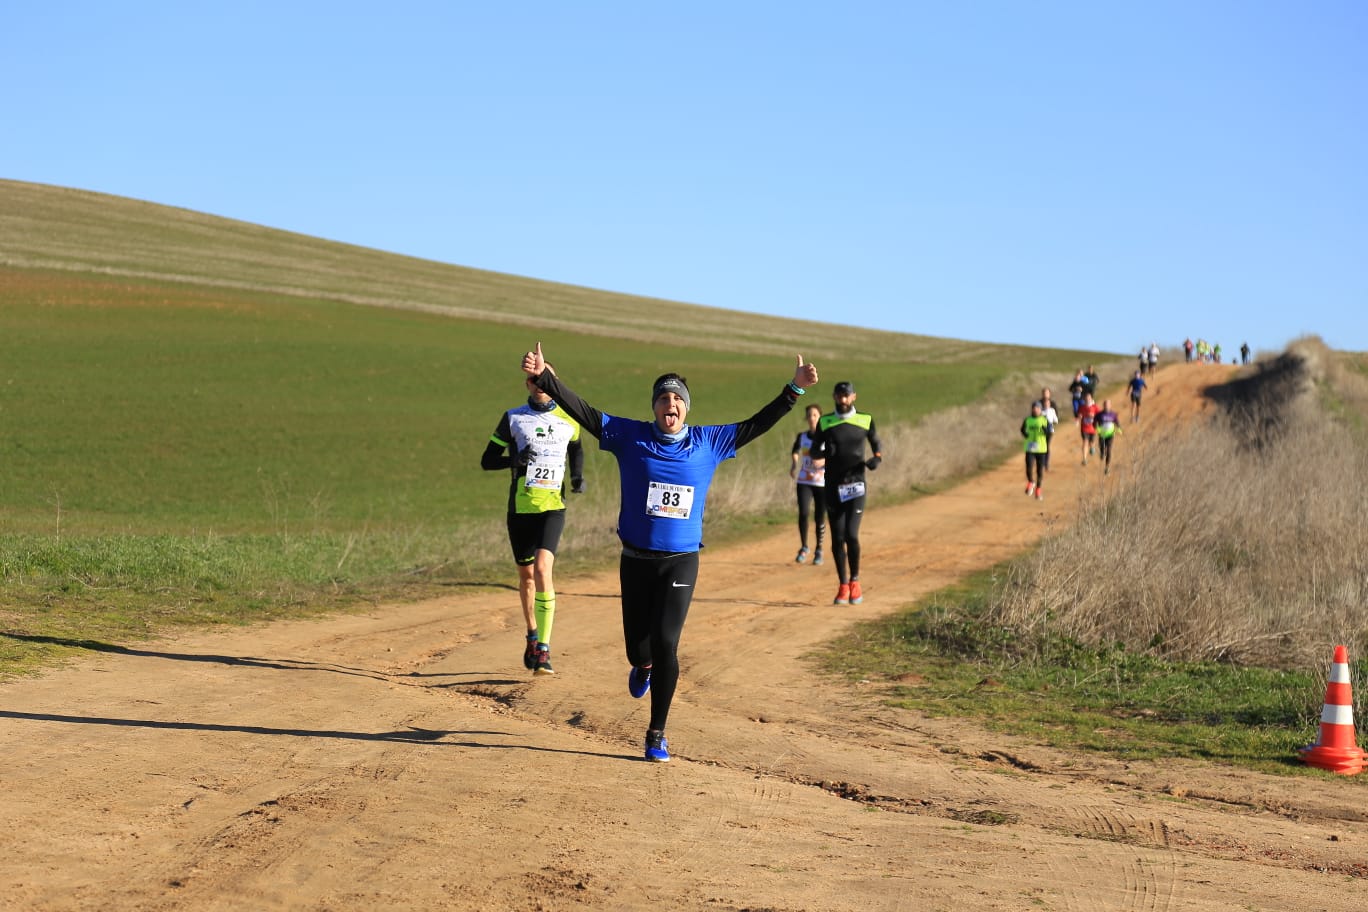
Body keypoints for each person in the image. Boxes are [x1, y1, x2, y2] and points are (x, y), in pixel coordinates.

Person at [521, 342, 818, 763]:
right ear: (655, 407)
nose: (670, 403)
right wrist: (547, 378)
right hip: (635, 560)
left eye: (678, 398)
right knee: (638, 650)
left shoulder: (709, 441)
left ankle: (657, 731)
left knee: (666, 644)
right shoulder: (630, 436)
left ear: (687, 409)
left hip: (680, 561)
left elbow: (757, 425)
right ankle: (641, 667)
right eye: (663, 397)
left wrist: (795, 390)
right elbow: (585, 412)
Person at [481, 365, 585, 675]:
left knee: (542, 570)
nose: (538, 384)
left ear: (553, 382)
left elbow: (577, 448)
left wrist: (578, 476)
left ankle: (544, 649)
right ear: (527, 384)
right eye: (533, 380)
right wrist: (513, 461)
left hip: (553, 508)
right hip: (520, 511)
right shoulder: (513, 418)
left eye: (544, 379)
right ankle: (531, 633)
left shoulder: (568, 418)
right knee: (526, 576)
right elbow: (487, 461)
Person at [810, 381, 883, 606]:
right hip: (832, 485)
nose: (843, 400)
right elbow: (814, 450)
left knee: (851, 534)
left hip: (856, 484)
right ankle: (842, 585)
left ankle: (855, 581)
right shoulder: (825, 421)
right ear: (834, 397)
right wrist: (824, 451)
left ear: (854, 397)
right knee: (838, 538)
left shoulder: (865, 420)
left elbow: (876, 444)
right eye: (839, 396)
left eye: (846, 396)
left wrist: (876, 459)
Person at [790, 403, 826, 565]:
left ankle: (819, 549)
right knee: (803, 513)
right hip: (804, 480)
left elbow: (833, 453)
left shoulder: (826, 436)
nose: (812, 418)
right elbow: (795, 451)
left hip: (822, 482)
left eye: (815, 415)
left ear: (820, 418)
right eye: (809, 415)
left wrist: (823, 460)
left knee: (819, 516)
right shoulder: (802, 437)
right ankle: (804, 547)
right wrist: (793, 465)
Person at [1021, 401, 1048, 500]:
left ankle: (1038, 489)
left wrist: (1046, 431)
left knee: (1039, 471)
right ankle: (1031, 482)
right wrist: (1026, 435)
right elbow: (1022, 429)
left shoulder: (1044, 420)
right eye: (1034, 408)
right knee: (1028, 467)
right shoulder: (1028, 420)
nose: (1035, 410)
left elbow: (1049, 431)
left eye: (1037, 408)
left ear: (1040, 410)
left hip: (1041, 449)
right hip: (1030, 448)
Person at [1096, 398, 1123, 474]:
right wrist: (1095, 427)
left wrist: (1119, 429)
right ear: (1103, 405)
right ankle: (1102, 453)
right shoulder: (1099, 414)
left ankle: (1107, 467)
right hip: (1102, 434)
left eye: (1108, 404)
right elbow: (1095, 421)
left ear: (1110, 405)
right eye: (1105, 404)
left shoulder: (1113, 414)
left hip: (1110, 434)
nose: (1106, 406)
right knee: (1102, 447)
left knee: (1109, 450)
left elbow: (1117, 422)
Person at [1035, 389, 1060, 472]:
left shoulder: (1053, 405)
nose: (1045, 394)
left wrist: (1051, 420)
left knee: (1046, 446)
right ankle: (1040, 462)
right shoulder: (1038, 404)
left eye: (1047, 393)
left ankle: (1045, 463)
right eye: (1044, 393)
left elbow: (1056, 417)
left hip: (1049, 430)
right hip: (1039, 429)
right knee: (1040, 446)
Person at [1078, 391, 1101, 465]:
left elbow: (1100, 416)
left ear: (1091, 398)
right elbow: (1079, 415)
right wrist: (1080, 416)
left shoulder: (1095, 407)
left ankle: (1092, 447)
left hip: (1092, 428)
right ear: (1084, 399)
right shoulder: (1082, 407)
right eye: (1086, 398)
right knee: (1085, 442)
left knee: (1091, 442)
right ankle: (1084, 459)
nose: (1087, 399)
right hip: (1084, 428)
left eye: (1089, 398)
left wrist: (1093, 416)